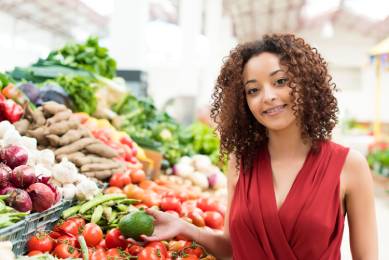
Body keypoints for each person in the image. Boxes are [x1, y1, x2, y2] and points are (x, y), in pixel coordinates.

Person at [140, 34, 378, 260]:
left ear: (305, 84)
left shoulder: (349, 166)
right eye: (253, 90)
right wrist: (184, 227)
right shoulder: (240, 161)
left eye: (280, 81)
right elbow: (230, 248)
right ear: (243, 102)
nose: (268, 96)